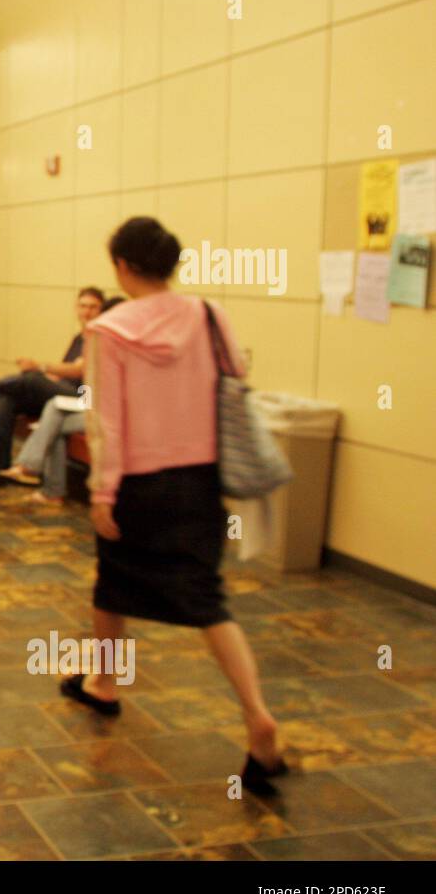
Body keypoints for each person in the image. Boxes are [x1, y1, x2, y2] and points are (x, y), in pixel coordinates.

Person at [65, 216, 286, 796]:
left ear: (123, 266)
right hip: (200, 481)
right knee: (207, 598)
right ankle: (255, 712)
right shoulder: (210, 315)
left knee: (111, 581)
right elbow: (237, 375)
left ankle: (106, 685)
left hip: (139, 484)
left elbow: (107, 421)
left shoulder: (109, 331)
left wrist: (102, 493)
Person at [0, 287, 105, 487]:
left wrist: (40, 367)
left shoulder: (100, 337)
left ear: (102, 310)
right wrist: (49, 376)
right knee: (7, 402)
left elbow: (79, 370)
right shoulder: (79, 338)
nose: (87, 312)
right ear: (76, 308)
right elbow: (65, 370)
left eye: (93, 307)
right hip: (62, 395)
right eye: (83, 306)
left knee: (32, 377)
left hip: (83, 398)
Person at [0, 297, 125, 504]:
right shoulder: (98, 342)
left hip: (114, 415)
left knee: (52, 418)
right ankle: (48, 487)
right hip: (94, 406)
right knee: (53, 414)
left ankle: (38, 474)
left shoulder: (122, 348)